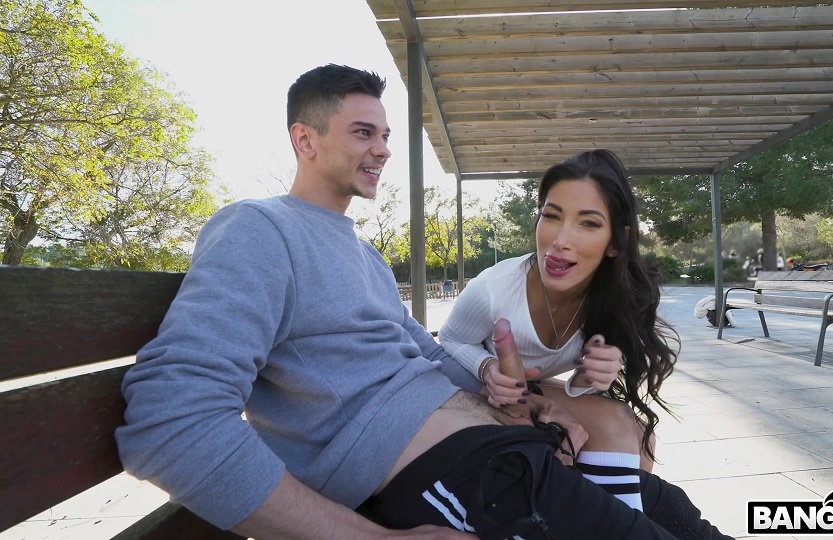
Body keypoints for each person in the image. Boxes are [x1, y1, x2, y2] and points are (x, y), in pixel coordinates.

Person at [115, 64, 731, 539]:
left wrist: (524, 402)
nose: (383, 149)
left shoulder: (364, 255)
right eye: (363, 133)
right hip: (461, 480)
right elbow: (170, 421)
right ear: (304, 139)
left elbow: (431, 356)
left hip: (505, 453)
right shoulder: (259, 229)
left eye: (385, 135)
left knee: (681, 519)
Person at [438, 149, 675, 511]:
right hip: (470, 388)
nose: (561, 239)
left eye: (588, 223)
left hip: (531, 389)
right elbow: (450, 340)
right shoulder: (494, 288)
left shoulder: (615, 299)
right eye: (551, 216)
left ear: (615, 243)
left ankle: (609, 521)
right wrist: (487, 368)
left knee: (644, 440)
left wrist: (592, 374)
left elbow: (576, 387)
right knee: (619, 425)